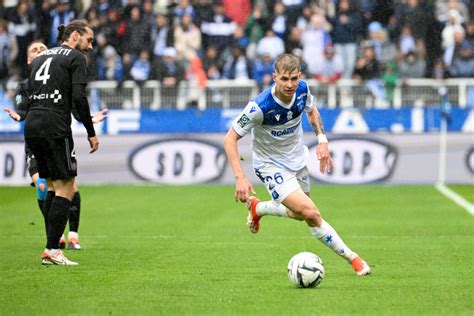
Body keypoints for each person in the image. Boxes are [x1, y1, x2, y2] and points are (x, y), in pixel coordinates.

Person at [223, 54, 371, 276]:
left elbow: (311, 110)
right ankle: (354, 259)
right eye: (284, 79)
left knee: (300, 214)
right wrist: (240, 177)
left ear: (299, 76)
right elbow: (230, 138)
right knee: (311, 213)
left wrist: (322, 139)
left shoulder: (303, 89)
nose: (290, 84)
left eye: (293, 78)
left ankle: (259, 208)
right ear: (275, 77)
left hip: (297, 159)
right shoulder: (259, 107)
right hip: (270, 166)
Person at [4, 40, 108, 252]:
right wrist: (20, 115)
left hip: (53, 133)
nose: (40, 51)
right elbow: (25, 107)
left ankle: (70, 235)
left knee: (68, 186)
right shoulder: (26, 84)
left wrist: (86, 118)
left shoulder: (58, 79)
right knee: (47, 186)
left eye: (43, 48)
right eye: (35, 49)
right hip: (37, 138)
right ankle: (53, 238)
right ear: (28, 58)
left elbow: (72, 102)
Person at [23, 20, 98, 266]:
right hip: (55, 126)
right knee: (67, 185)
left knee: (53, 187)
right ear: (75, 36)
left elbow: (28, 94)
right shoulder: (75, 58)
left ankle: (51, 247)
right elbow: (79, 97)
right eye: (88, 40)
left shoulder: (39, 59)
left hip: (32, 124)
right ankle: (52, 249)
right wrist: (90, 130)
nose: (90, 46)